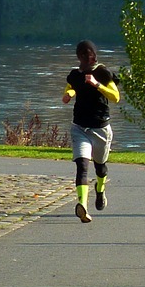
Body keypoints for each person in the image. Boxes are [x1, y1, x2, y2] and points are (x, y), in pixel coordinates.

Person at [62, 40, 120, 223]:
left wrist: (97, 85)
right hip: (80, 127)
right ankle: (83, 206)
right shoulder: (75, 75)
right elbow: (71, 88)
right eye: (83, 55)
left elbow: (116, 97)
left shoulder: (103, 72)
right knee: (82, 165)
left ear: (94, 55)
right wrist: (69, 95)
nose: (87, 58)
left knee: (100, 167)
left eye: (90, 55)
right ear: (79, 57)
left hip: (101, 128)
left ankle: (100, 190)